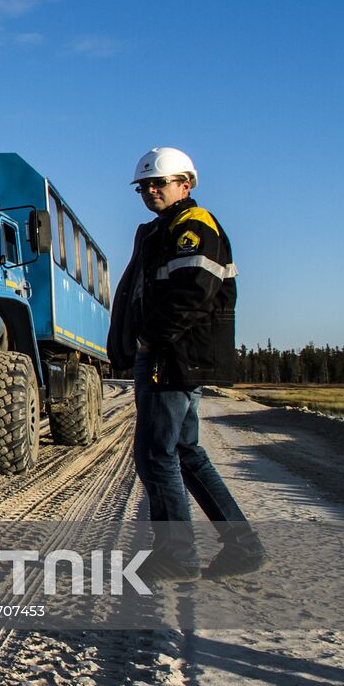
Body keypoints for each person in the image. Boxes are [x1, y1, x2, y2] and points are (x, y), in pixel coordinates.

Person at [106, 147, 266, 581]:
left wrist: (148, 339)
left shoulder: (193, 227)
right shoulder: (163, 230)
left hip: (171, 358)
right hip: (170, 355)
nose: (151, 191)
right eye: (145, 186)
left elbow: (195, 292)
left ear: (186, 184)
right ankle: (244, 547)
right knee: (186, 453)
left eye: (160, 183)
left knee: (156, 454)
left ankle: (177, 555)